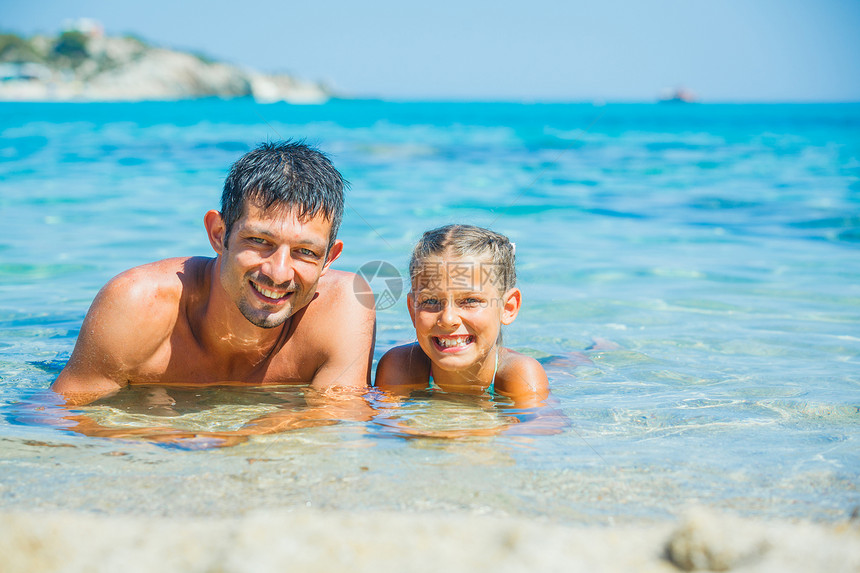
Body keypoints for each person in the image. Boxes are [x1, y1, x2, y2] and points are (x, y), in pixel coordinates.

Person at [52, 141, 375, 408]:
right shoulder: (136, 304)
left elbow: (338, 426)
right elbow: (55, 419)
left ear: (329, 259)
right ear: (219, 234)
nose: (278, 273)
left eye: (305, 252)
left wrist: (223, 442)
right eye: (260, 242)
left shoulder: (344, 306)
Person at [375, 224, 549, 407]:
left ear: (507, 308)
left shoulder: (520, 375)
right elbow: (386, 429)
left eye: (470, 300)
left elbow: (535, 430)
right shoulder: (401, 366)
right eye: (431, 301)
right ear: (413, 310)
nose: (448, 319)